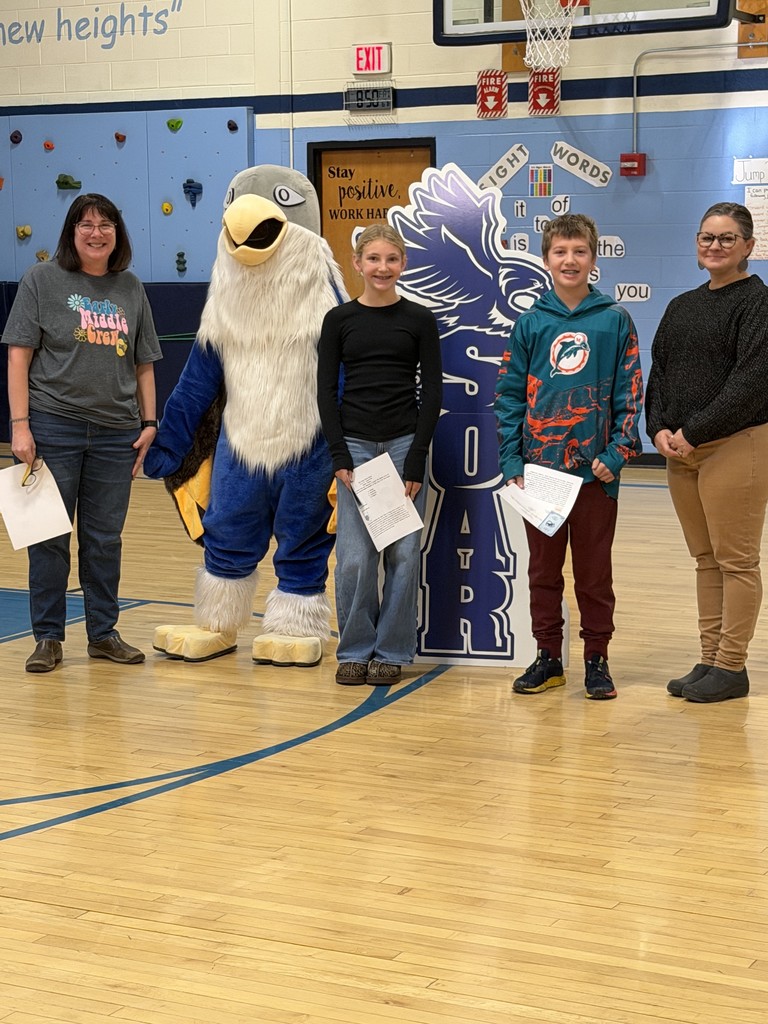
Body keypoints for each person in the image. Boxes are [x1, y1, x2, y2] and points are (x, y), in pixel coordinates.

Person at [4, 193, 162, 673]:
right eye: (86, 224)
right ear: (72, 232)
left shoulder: (130, 287)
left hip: (117, 433)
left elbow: (144, 363)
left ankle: (103, 633)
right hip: (53, 426)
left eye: (106, 224)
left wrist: (150, 423)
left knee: (103, 539)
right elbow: (18, 356)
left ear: (118, 232)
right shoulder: (41, 280)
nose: (97, 233)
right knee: (49, 538)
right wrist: (20, 426)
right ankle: (49, 637)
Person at [494, 213, 644, 700]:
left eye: (579, 251)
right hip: (540, 474)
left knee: (594, 573)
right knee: (542, 573)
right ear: (546, 260)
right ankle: (549, 658)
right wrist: (513, 462)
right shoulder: (530, 323)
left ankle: (597, 659)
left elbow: (630, 391)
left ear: (593, 259)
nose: (570, 260)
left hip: (596, 475)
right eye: (560, 251)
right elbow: (511, 395)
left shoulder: (614, 320)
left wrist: (618, 452)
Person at [645, 202, 768, 703]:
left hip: (735, 445)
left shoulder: (757, 303)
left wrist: (693, 431)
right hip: (680, 451)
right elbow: (661, 374)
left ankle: (732, 666)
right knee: (705, 559)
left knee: (736, 561)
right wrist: (657, 429)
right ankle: (710, 658)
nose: (714, 246)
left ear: (748, 247)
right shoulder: (682, 306)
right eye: (706, 237)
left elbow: (751, 382)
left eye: (725, 238)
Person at [317, 224, 442, 686]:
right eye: (373, 259)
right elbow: (325, 392)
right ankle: (354, 649)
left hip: (404, 444)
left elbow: (432, 393)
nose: (382, 268)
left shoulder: (419, 320)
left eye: (391, 259)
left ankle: (391, 650)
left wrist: (415, 459)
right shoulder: (339, 320)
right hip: (355, 448)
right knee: (354, 557)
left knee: (404, 554)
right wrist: (339, 456)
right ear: (358, 264)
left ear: (402, 264)